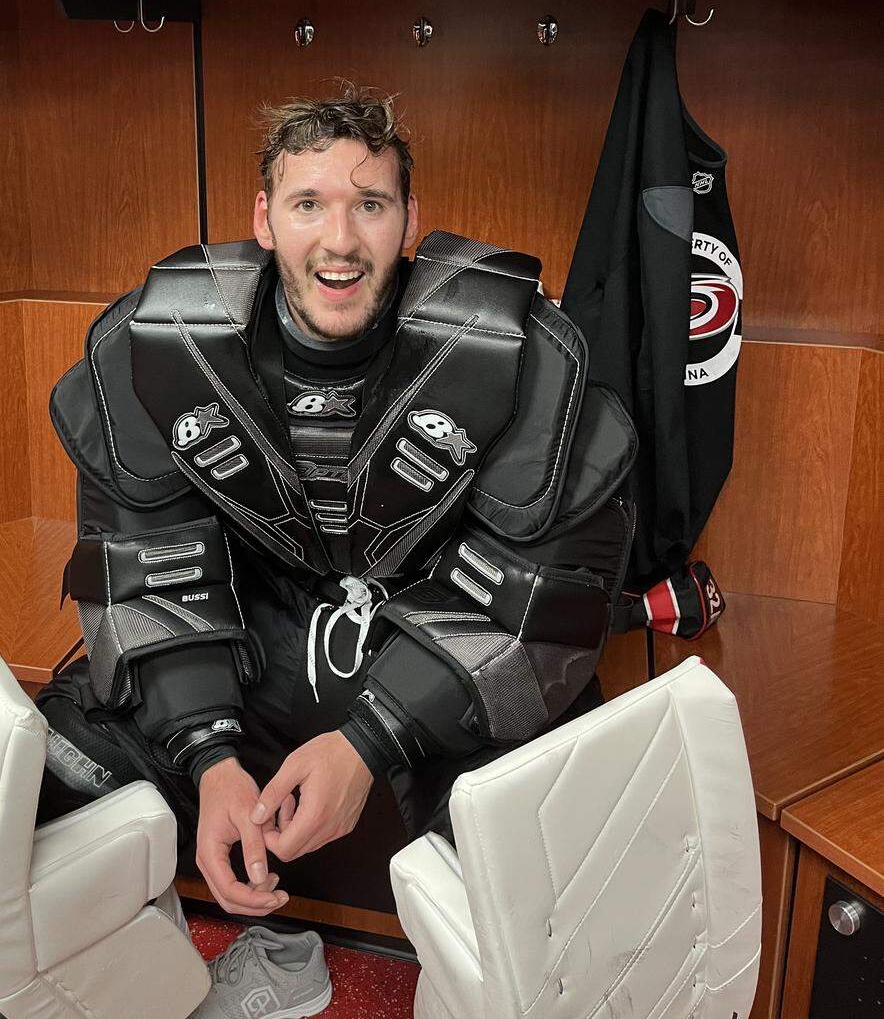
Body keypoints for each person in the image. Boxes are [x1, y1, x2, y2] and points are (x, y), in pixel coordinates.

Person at [39, 86, 636, 979]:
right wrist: (208, 756)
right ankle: (187, 979)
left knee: (558, 856)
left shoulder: (517, 352)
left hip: (432, 653)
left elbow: (532, 603)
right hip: (260, 637)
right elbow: (146, 570)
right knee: (45, 781)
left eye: (371, 204)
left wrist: (372, 740)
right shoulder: (167, 342)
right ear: (265, 220)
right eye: (308, 202)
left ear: (410, 221)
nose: (342, 240)